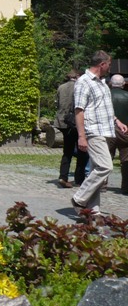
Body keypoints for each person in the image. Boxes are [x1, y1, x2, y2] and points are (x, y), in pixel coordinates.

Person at [72, 51, 128, 216]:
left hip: (106, 130)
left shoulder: (103, 83)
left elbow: (105, 108)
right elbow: (79, 110)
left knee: (97, 170)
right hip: (93, 131)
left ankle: (93, 210)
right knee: (105, 166)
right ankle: (79, 198)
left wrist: (117, 121)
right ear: (102, 64)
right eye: (109, 64)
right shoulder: (84, 82)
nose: (110, 68)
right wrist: (81, 136)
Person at [54, 70, 89, 187]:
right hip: (75, 122)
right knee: (82, 151)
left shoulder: (61, 87)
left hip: (62, 122)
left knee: (67, 151)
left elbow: (58, 104)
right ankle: (79, 179)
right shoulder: (79, 87)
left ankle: (63, 176)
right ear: (77, 77)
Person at [107, 74, 128, 195]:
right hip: (125, 131)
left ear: (110, 83)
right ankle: (125, 186)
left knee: (106, 157)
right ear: (123, 84)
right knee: (126, 160)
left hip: (108, 130)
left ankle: (102, 185)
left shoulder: (106, 95)